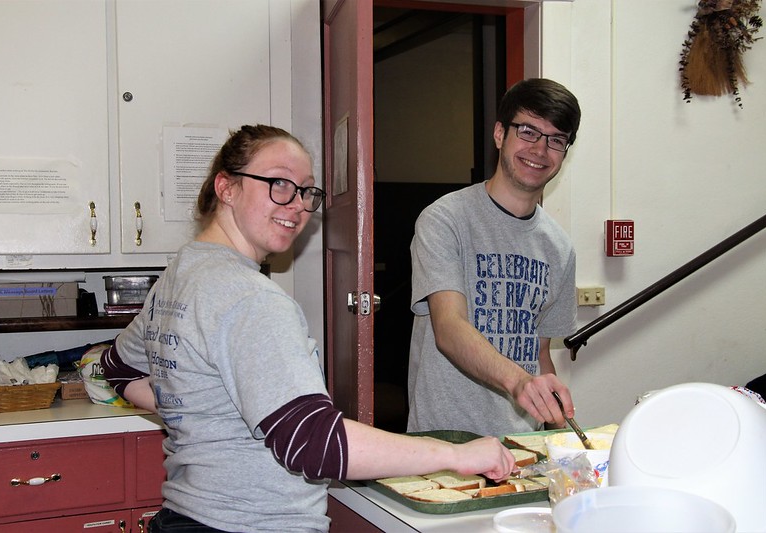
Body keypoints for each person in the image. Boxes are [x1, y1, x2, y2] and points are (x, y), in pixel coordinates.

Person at [102, 124, 515, 532]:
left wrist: (202, 413)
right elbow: (313, 443)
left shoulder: (180, 275)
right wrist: (456, 455)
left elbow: (118, 368)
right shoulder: (251, 299)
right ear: (226, 188)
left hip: (185, 517)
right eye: (279, 183)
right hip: (252, 525)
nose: (298, 205)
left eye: (307, 191)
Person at [407, 78, 582, 437]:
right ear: (500, 134)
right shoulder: (445, 219)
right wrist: (519, 383)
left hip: (521, 443)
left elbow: (540, 351)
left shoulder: (559, 247)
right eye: (529, 132)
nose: (540, 149)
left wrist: (556, 425)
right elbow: (450, 329)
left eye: (556, 140)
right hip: (445, 441)